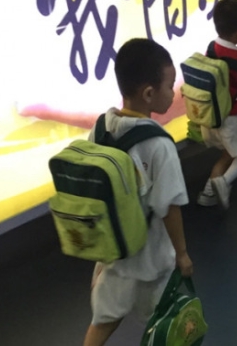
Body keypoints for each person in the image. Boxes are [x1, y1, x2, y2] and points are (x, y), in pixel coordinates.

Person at [84, 39, 192, 346]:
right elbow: (169, 207)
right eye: (170, 86)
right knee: (165, 326)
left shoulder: (102, 127)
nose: (174, 92)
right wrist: (182, 254)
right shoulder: (159, 145)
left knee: (102, 323)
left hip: (114, 255)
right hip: (153, 260)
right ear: (148, 93)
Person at [197, 0, 237, 209]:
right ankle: (223, 182)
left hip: (210, 115)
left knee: (227, 154)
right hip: (230, 117)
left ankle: (207, 194)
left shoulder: (212, 47)